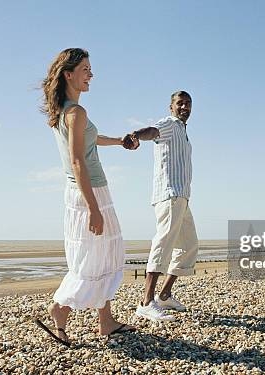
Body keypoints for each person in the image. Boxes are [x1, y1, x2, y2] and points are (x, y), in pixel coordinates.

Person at [35, 48, 138, 346]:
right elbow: (78, 160)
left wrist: (119, 141)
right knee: (94, 260)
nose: (91, 74)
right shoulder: (76, 112)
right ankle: (61, 308)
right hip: (89, 192)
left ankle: (105, 321)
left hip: (84, 191)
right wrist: (93, 208)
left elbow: (90, 140)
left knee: (103, 254)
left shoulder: (66, 112)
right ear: (69, 74)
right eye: (85, 69)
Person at [129, 91, 199, 322]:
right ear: (171, 107)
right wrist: (136, 134)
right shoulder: (170, 124)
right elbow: (153, 131)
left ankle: (165, 294)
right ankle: (146, 302)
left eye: (188, 103)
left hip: (182, 197)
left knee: (189, 246)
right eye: (180, 103)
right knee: (163, 243)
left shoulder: (183, 131)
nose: (184, 107)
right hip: (169, 195)